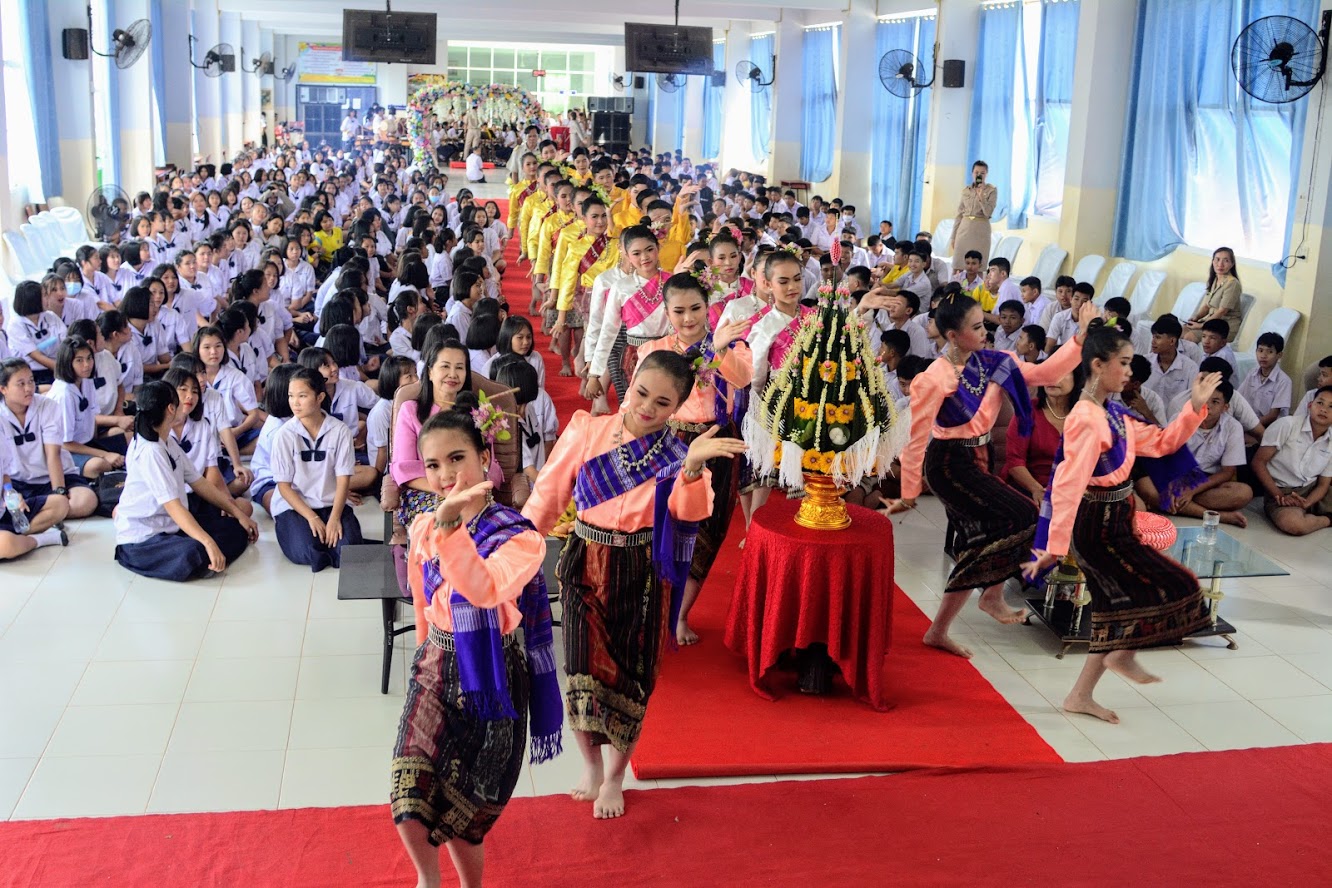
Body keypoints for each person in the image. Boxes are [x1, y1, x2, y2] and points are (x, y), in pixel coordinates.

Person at [523, 352, 743, 820]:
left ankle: (615, 776)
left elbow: (691, 514)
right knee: (580, 669)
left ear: (677, 408)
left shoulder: (680, 455)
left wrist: (690, 470)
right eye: (641, 394)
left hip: (641, 574)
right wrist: (515, 553)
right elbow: (547, 496)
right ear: (630, 382)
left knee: (632, 679)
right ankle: (590, 766)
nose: (647, 408)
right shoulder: (587, 430)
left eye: (662, 403)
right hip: (585, 562)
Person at [390, 393, 564, 888]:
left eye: (457, 458)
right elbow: (423, 603)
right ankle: (428, 880)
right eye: (433, 465)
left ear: (485, 458)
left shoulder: (518, 537)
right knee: (407, 792)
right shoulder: (423, 526)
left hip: (494, 674)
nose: (446, 475)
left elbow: (483, 589)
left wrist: (451, 529)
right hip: (435, 665)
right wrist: (422, 657)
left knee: (468, 812)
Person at [1025, 325, 1220, 723]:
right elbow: (1067, 485)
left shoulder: (1114, 413)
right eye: (1125, 363)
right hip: (1095, 525)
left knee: (1111, 610)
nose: (1130, 371)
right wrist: (1055, 547)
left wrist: (1194, 407)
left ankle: (1081, 694)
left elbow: (1162, 443)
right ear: (1098, 365)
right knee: (1179, 583)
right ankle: (1123, 652)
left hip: (1117, 516)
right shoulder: (1086, 419)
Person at [886, 293, 1097, 658]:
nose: (985, 332)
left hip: (980, 457)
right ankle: (992, 595)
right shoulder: (934, 378)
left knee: (977, 546)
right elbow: (917, 438)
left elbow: (1046, 373)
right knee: (1024, 515)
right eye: (976, 327)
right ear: (953, 336)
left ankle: (939, 630)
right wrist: (909, 490)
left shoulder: (997, 362)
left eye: (984, 324)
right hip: (949, 463)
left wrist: (1080, 338)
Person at [637, 273, 753, 645]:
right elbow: (644, 399)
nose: (688, 318)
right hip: (669, 442)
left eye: (696, 308)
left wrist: (718, 350)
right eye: (679, 311)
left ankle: (680, 615)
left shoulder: (731, 344)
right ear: (666, 311)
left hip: (717, 442)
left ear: (708, 306)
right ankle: (652, 609)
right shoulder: (654, 350)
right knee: (661, 526)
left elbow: (743, 378)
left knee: (707, 533)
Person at [113, 380, 257, 581]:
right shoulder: (150, 451)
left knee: (235, 527)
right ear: (171, 409)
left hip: (170, 525)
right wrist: (208, 542)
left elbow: (199, 482)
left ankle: (208, 556)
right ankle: (203, 557)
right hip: (144, 539)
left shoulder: (166, 441)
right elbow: (173, 507)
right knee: (196, 551)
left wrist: (237, 513)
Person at [269, 367, 363, 571]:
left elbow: (343, 479)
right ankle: (315, 541)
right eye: (291, 396)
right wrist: (311, 517)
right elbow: (284, 487)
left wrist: (335, 518)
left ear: (320, 397)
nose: (295, 402)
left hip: (330, 503)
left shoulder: (340, 431)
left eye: (302, 396)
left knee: (349, 551)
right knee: (306, 551)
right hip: (296, 506)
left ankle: (332, 543)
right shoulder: (284, 435)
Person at [1137, 380, 1252, 526]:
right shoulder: (1180, 418)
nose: (1207, 405)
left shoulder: (1233, 427)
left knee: (1244, 493)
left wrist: (1191, 491)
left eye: (1215, 402)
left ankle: (1174, 503)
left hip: (1206, 481)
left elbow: (1227, 472)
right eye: (1204, 399)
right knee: (1148, 489)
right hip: (1176, 475)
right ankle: (1216, 516)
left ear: (1225, 407)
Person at [1252, 386, 1332, 536]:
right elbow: (1258, 462)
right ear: (1310, 405)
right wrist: (1279, 495)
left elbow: (1323, 485)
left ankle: (1310, 511)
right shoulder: (1287, 425)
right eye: (1320, 403)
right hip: (1280, 491)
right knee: (1294, 524)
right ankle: (1327, 520)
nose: (1324, 410)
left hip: (1312, 490)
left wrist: (1307, 502)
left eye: (1331, 407)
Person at [1003, 369, 1074, 501]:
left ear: (1078, 378)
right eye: (1049, 372)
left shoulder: (1084, 414)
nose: (1052, 378)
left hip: (1072, 490)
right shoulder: (1027, 410)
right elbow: (1015, 460)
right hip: (1030, 487)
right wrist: (1036, 489)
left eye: (1061, 372)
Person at [1183, 247, 1242, 342]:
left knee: (1189, 337)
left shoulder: (1232, 283)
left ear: (1232, 264)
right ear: (1213, 261)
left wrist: (1202, 325)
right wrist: (1196, 318)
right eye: (1217, 259)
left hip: (1224, 326)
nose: (1220, 264)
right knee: (1181, 330)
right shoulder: (1215, 280)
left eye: (1226, 261)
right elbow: (1206, 306)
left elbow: (1222, 311)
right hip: (1211, 323)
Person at [1237, 332, 1292, 428]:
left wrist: (1251, 426)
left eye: (1270, 352)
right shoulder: (1252, 373)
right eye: (1260, 350)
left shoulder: (1284, 381)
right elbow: (1238, 398)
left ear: (1279, 355)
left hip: (1270, 427)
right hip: (1249, 422)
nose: (1263, 356)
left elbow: (1273, 415)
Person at [949, 161, 997, 271]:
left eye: (982, 173)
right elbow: (959, 215)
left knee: (978, 267)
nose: (979, 175)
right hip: (964, 229)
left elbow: (988, 213)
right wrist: (953, 236)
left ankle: (976, 283)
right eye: (976, 172)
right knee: (958, 265)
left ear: (986, 174)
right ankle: (956, 283)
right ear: (972, 173)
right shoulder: (966, 190)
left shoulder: (992, 190)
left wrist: (981, 197)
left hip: (981, 231)